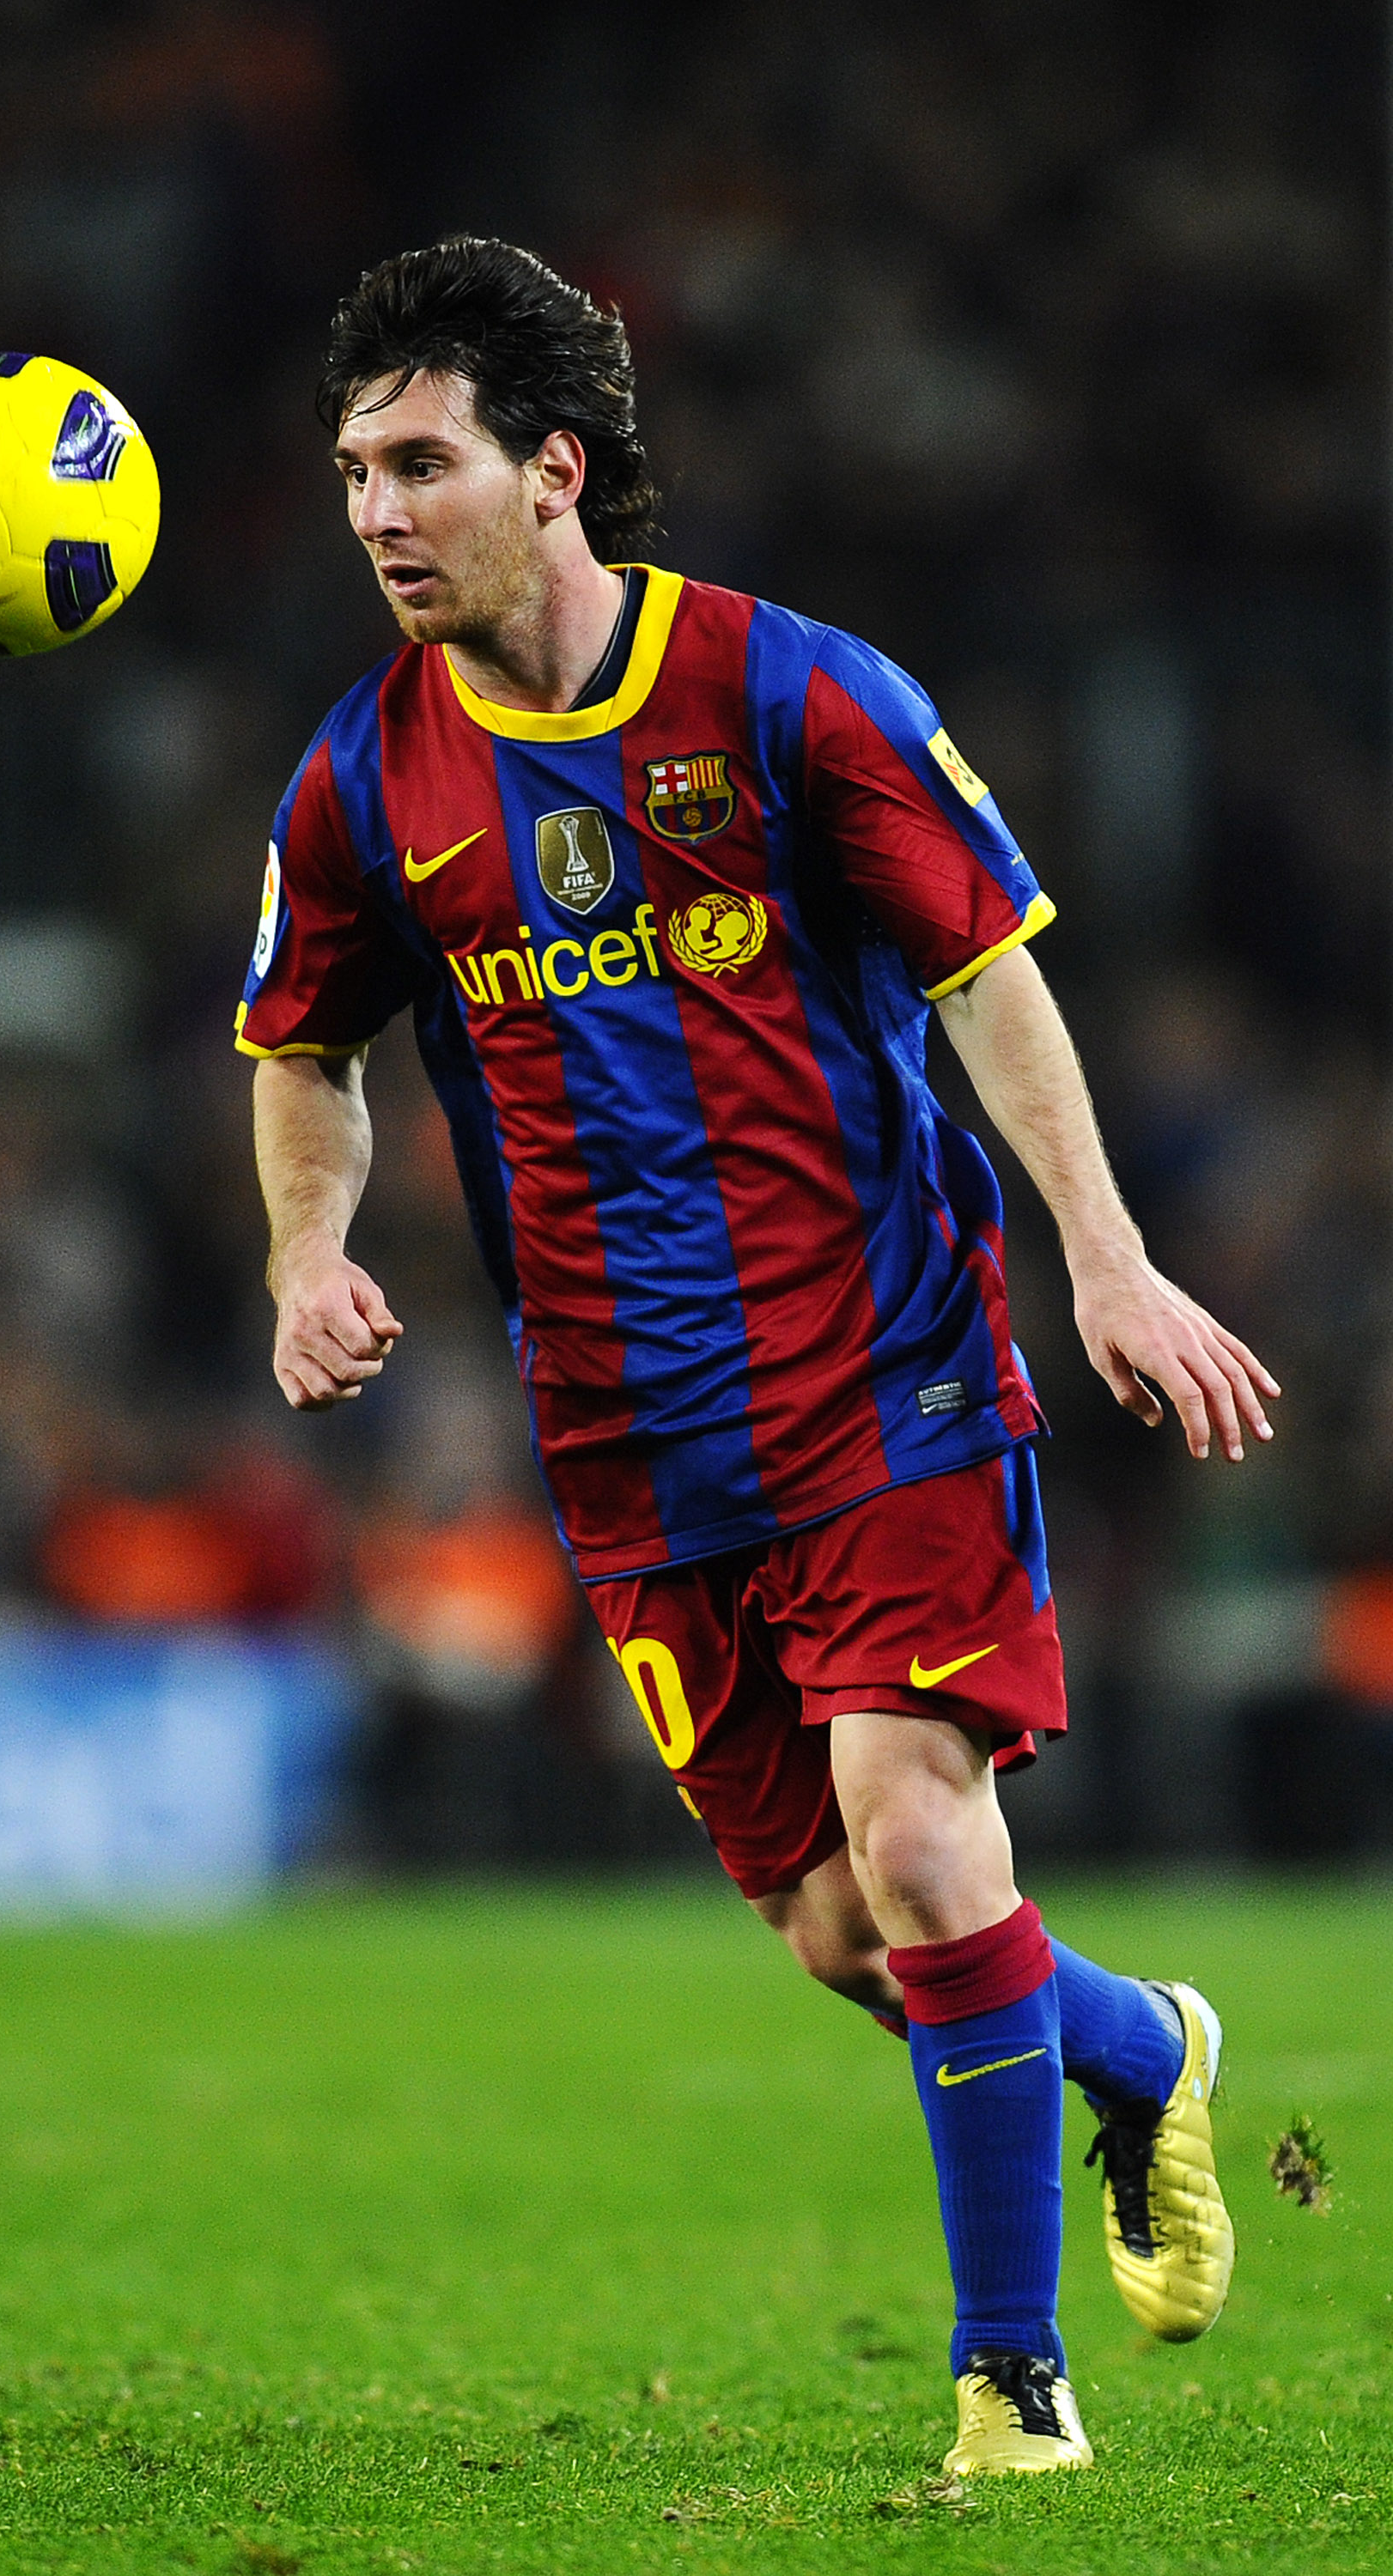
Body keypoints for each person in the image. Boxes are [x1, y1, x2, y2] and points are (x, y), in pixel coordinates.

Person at [235, 237, 1275, 2476]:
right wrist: (306, 1250)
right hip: (626, 1450)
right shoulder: (360, 783)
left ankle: (1013, 2392)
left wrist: (1101, 1259)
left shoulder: (800, 698)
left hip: (886, 1375)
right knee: (844, 1936)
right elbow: (301, 1044)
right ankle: (1137, 2054)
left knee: (918, 1848)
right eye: (353, 475)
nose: (381, 515)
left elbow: (990, 970)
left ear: (555, 473)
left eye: (422, 464)